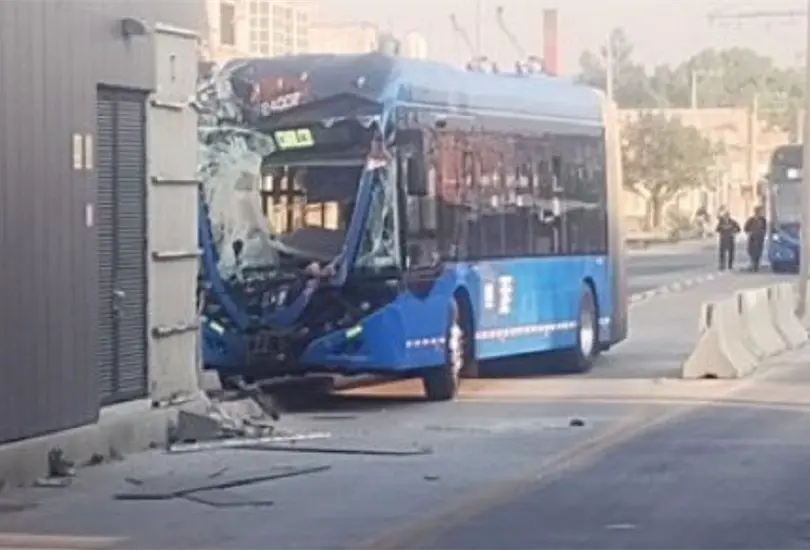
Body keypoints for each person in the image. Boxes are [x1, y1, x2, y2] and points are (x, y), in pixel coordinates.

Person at [743, 206, 767, 272]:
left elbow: (765, 228)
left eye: (759, 212)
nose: (758, 213)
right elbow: (746, 228)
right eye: (757, 212)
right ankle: (753, 264)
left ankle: (756, 265)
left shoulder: (763, 220)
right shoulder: (751, 220)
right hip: (752, 238)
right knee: (751, 251)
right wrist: (750, 232)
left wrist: (763, 233)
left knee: (758, 252)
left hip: (759, 238)